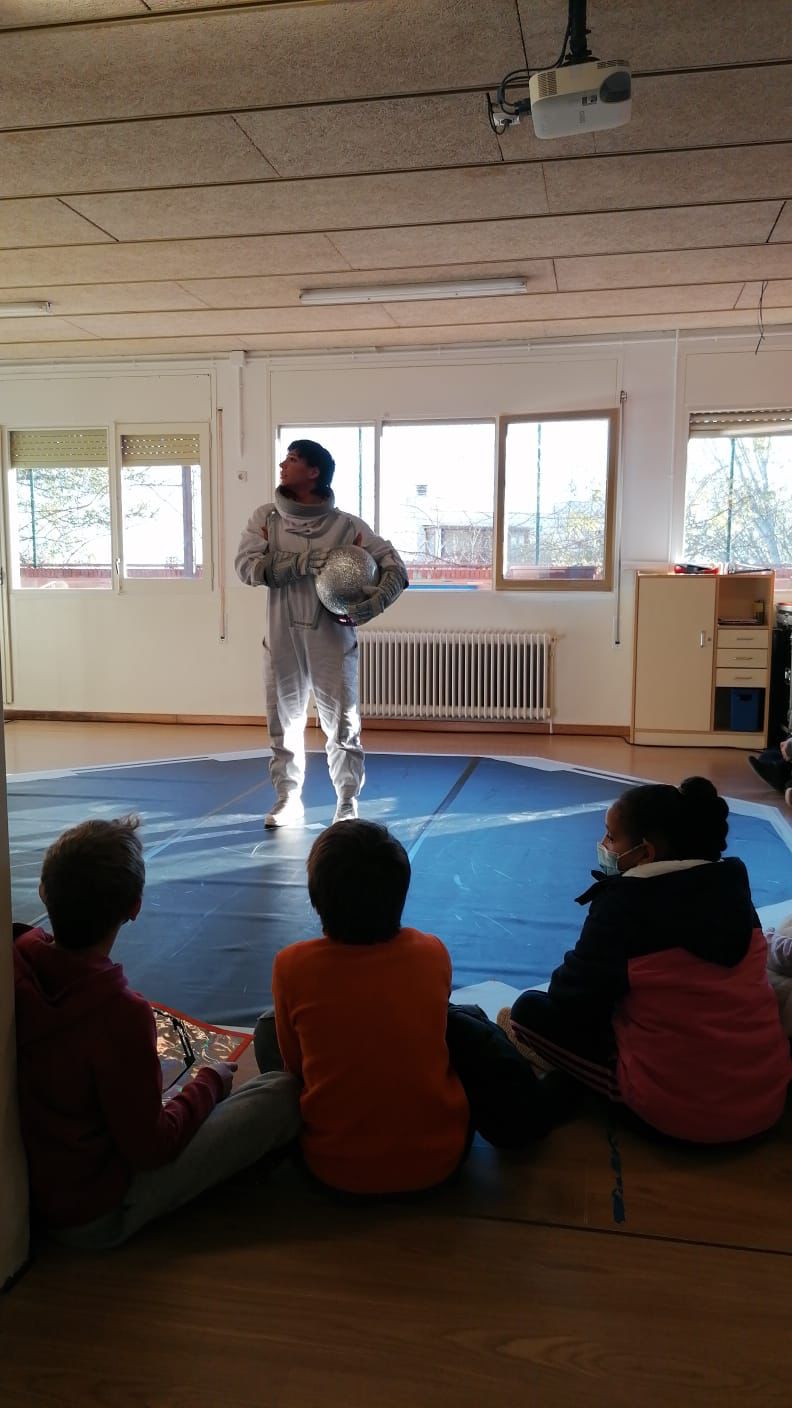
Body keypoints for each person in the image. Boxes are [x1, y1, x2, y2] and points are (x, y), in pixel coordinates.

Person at [13, 815, 300, 1249]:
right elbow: (153, 1147)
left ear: (42, 891)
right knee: (281, 1094)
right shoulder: (118, 1012)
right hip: (96, 1212)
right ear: (135, 907)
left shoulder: (18, 960)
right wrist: (209, 1083)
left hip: (33, 1196)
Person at [254, 820, 555, 1196]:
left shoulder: (291, 965)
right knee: (454, 1023)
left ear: (317, 898)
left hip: (331, 1170)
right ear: (399, 894)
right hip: (442, 1162)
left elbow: (294, 1068)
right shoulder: (431, 952)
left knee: (268, 1027)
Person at [502, 777, 791, 1144]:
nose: (603, 845)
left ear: (645, 853)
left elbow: (569, 995)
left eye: (611, 838)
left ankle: (594, 1085)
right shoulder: (731, 885)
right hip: (768, 1097)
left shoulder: (623, 904)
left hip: (685, 1116)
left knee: (525, 1013)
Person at [235, 439, 408, 828]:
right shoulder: (268, 519)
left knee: (343, 724)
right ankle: (288, 798)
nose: (283, 464)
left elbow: (395, 566)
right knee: (283, 722)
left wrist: (375, 603)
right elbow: (246, 566)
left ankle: (347, 801)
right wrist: (298, 563)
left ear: (313, 472)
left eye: (293, 459)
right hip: (282, 636)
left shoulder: (346, 527)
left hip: (331, 638)